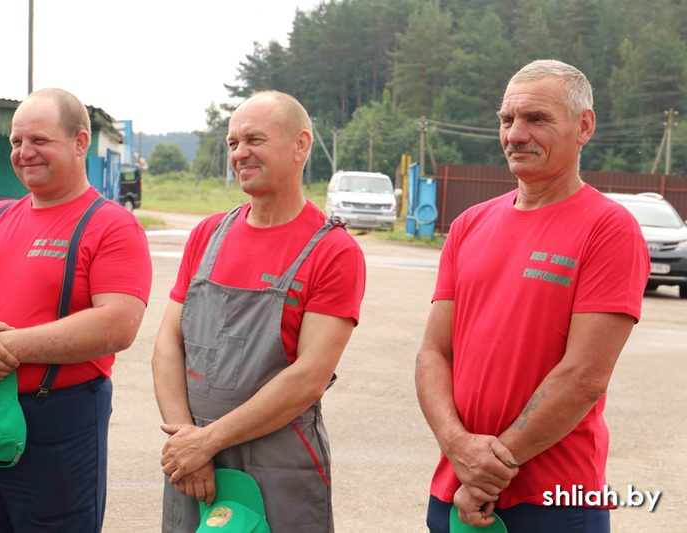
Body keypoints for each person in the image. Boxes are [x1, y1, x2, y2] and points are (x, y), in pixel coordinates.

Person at [415, 59, 650, 532]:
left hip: (554, 501)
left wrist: (488, 469)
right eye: (507, 119)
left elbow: (584, 376)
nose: (515, 134)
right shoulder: (469, 225)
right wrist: (457, 446)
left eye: (536, 118)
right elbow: (434, 353)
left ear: (584, 126)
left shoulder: (609, 229)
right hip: (454, 487)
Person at [0, 87, 153, 532]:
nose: (24, 152)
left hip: (59, 422)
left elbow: (117, 324)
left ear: (80, 142)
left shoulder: (111, 225)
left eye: (39, 140)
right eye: (16, 141)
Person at [152, 90, 366, 532]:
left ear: (300, 145)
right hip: (192, 461)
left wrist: (207, 441)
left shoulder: (333, 252)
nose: (239, 153)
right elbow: (168, 344)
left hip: (278, 461)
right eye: (233, 143)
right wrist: (185, 439)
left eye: (254, 139)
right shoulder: (207, 235)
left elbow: (309, 377)